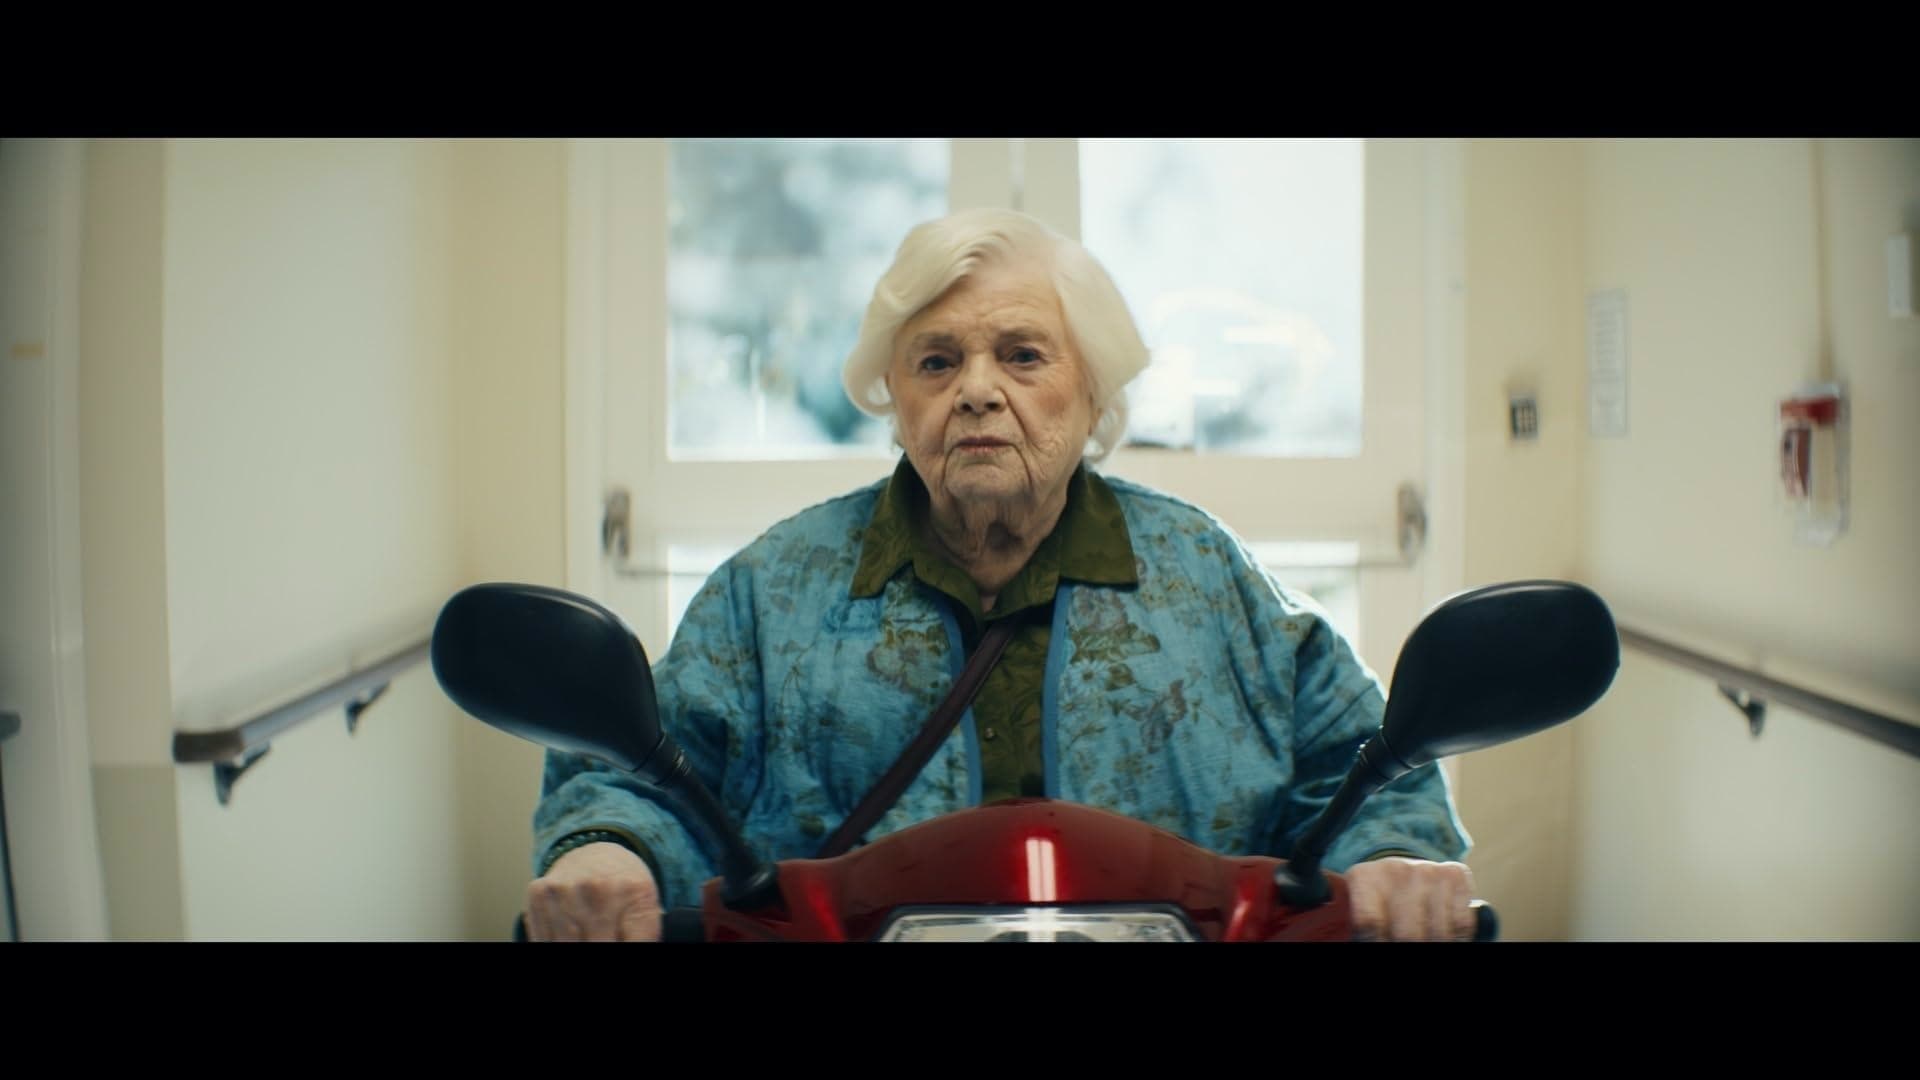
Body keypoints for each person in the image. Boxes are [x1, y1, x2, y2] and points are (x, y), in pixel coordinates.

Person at [527, 208, 1474, 942]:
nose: (977, 389)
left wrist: (1393, 854)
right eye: (937, 361)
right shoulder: (771, 590)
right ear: (895, 398)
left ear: (1092, 391)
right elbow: (647, 773)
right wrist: (610, 852)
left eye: (1021, 355)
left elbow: (1359, 765)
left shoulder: (1206, 575)